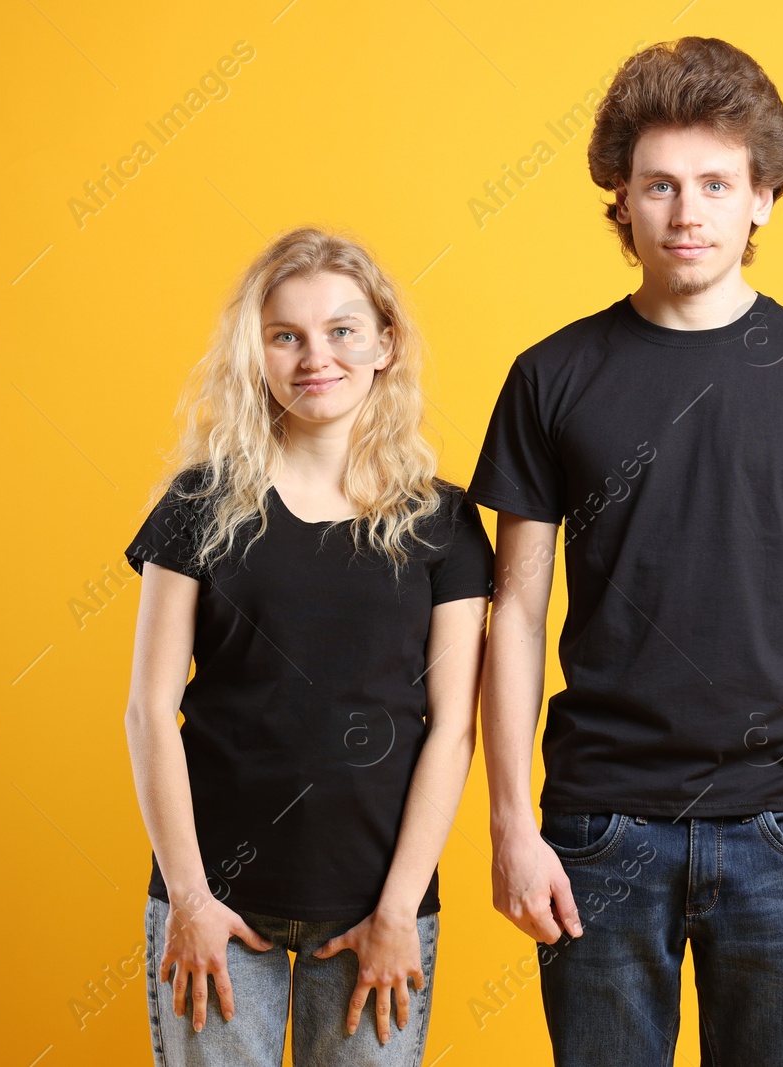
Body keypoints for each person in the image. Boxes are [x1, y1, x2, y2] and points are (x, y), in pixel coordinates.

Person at [465, 37, 783, 1066]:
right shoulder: (551, 376)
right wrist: (509, 825)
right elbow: (517, 612)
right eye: (659, 184)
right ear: (619, 200)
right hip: (598, 826)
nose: (686, 210)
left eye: (715, 183)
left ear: (763, 198)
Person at [122, 227, 494, 1066]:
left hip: (377, 910)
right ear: (256, 352)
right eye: (285, 334)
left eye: (342, 330)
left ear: (385, 344)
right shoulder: (198, 504)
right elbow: (148, 709)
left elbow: (451, 728)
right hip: (214, 903)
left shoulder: (446, 523)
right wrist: (187, 896)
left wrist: (399, 909)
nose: (314, 356)